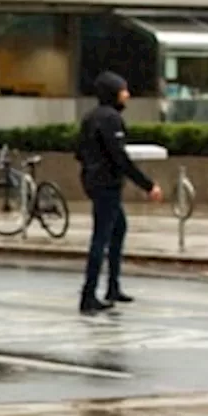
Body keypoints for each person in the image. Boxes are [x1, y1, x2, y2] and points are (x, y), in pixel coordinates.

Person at [76, 71, 163, 315]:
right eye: (123, 90)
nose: (127, 94)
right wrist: (148, 185)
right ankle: (88, 295)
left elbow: (79, 151)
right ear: (113, 93)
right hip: (107, 184)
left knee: (118, 228)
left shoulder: (90, 117)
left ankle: (112, 287)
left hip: (93, 181)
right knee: (101, 238)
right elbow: (120, 158)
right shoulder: (111, 119)